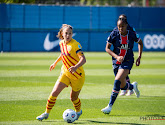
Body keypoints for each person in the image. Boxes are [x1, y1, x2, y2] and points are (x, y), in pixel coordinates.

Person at [36, 24, 86, 121]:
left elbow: (83, 59)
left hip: (77, 76)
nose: (68, 35)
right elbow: (63, 54)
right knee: (54, 92)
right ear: (62, 34)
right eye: (66, 33)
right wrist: (55, 62)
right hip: (65, 73)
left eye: (70, 33)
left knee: (73, 98)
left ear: (72, 34)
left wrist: (76, 67)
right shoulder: (61, 43)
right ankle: (46, 113)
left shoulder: (75, 45)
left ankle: (78, 111)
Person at [101, 16, 143, 114]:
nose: (120, 29)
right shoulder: (114, 33)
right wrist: (116, 57)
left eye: (122, 26)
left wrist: (139, 56)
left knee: (117, 81)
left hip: (128, 60)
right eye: (119, 26)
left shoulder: (132, 33)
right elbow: (107, 48)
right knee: (122, 86)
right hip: (116, 62)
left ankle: (109, 106)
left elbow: (140, 43)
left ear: (126, 26)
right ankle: (132, 86)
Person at [113, 14, 141, 96]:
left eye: (123, 19)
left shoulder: (131, 30)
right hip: (118, 57)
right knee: (118, 74)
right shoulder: (116, 30)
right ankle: (129, 87)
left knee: (121, 75)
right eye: (120, 19)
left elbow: (139, 41)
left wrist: (139, 56)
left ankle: (126, 89)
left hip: (127, 56)